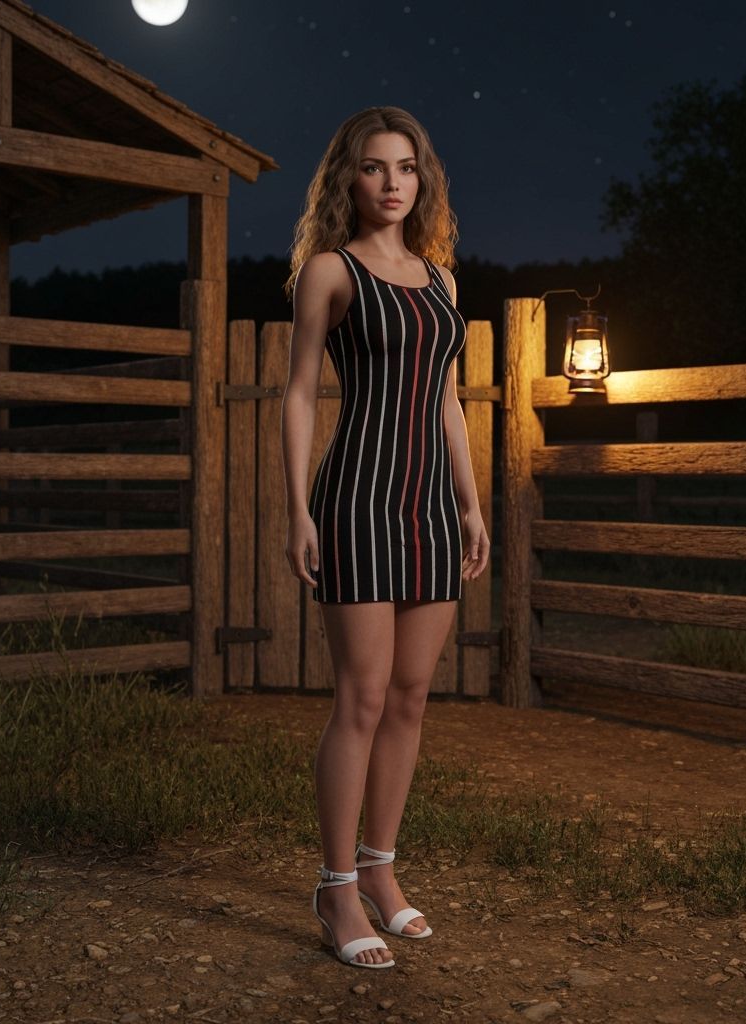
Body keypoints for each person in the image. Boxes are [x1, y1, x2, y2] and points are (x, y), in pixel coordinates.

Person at [280, 106, 490, 969]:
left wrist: (472, 504)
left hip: (433, 506)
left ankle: (380, 873)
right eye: (374, 168)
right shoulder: (330, 272)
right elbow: (297, 394)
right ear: (348, 178)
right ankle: (335, 889)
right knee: (361, 700)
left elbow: (445, 400)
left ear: (422, 177)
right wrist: (297, 509)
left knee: (410, 698)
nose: (392, 182)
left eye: (406, 167)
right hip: (358, 500)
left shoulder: (441, 281)